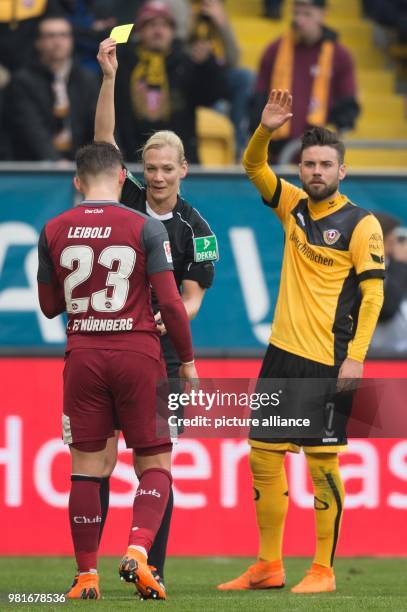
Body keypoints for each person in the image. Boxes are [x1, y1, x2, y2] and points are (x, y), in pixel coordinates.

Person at [218, 89, 385, 594]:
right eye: (309, 163)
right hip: (281, 354)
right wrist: (266, 129)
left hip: (329, 361)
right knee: (263, 455)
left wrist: (355, 359)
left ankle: (323, 569)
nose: (315, 171)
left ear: (342, 172)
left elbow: (374, 297)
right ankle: (269, 564)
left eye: (325, 164)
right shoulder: (292, 206)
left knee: (321, 463)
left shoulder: (361, 223)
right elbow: (253, 167)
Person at [37, 141, 197, 600]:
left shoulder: (53, 228)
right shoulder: (145, 227)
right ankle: (139, 550)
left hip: (83, 355)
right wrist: (186, 360)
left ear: (76, 181)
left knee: (88, 469)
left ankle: (87, 575)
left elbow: (50, 307)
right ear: (125, 177)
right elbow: (170, 302)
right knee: (155, 463)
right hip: (139, 355)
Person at [94, 38, 218, 589]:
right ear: (142, 169)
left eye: (168, 168)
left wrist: (175, 317)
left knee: (157, 465)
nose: (159, 176)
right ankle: (85, 568)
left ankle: (152, 569)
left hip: (164, 356)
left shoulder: (201, 231)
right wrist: (108, 78)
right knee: (95, 462)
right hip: (113, 346)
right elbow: (101, 145)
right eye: (151, 168)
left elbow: (194, 296)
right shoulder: (123, 204)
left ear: (184, 169)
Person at [114, 0, 226, 163]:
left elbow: (211, 96)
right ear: (140, 31)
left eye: (165, 25)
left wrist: (206, 66)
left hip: (178, 160)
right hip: (132, 157)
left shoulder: (186, 63)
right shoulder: (123, 65)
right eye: (151, 25)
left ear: (173, 32)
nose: (158, 31)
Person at [250, 0, 360, 162]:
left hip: (319, 155)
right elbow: (258, 101)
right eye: (296, 13)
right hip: (276, 153)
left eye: (307, 14)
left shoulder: (340, 56)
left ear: (322, 15)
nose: (299, 20)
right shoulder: (274, 51)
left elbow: (347, 107)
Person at [6, 15, 99, 161]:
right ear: (38, 42)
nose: (57, 42)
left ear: (72, 40)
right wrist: (56, 163)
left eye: (64, 35)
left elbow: (97, 125)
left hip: (83, 167)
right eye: (50, 36)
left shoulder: (87, 79)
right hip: (36, 168)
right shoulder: (22, 81)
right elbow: (32, 129)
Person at [189, 0, 254, 158]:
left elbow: (233, 59)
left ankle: (239, 145)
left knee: (244, 77)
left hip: (217, 78)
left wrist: (222, 24)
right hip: (191, 77)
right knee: (218, 107)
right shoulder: (186, 15)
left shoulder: (220, 22)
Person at [369, 213, 407, 355]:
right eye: (393, 239)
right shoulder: (367, 269)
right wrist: (401, 264)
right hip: (378, 354)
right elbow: (387, 309)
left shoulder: (394, 267)